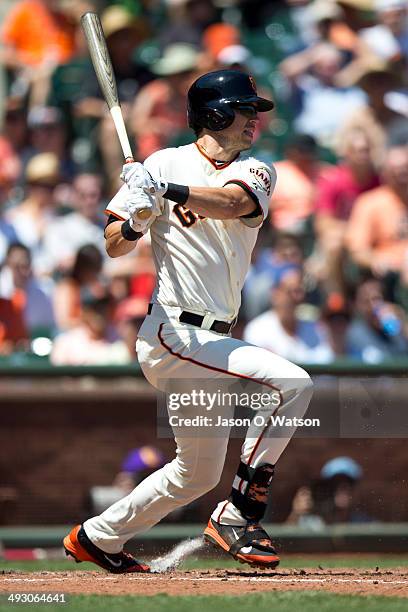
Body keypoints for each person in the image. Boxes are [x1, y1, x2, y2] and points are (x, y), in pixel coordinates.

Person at [63, 70, 313, 573]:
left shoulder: (257, 170)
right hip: (173, 335)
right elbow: (115, 245)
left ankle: (97, 536)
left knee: (194, 474)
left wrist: (165, 189)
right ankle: (240, 511)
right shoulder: (162, 163)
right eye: (245, 110)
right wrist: (133, 217)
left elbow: (232, 204)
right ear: (216, 113)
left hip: (212, 343)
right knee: (292, 383)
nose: (254, 120)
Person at [243, 266, 334, 364]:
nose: (298, 298)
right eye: (292, 292)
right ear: (276, 294)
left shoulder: (316, 328)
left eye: (300, 292)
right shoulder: (257, 330)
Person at [346, 145, 408, 276]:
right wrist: (376, 260)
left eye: (405, 171)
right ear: (385, 174)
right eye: (396, 172)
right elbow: (358, 250)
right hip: (391, 272)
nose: (403, 178)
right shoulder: (369, 203)